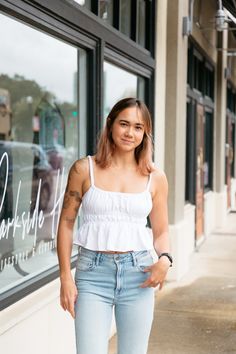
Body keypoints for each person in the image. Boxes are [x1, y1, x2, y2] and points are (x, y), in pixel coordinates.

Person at [56, 97, 172, 354]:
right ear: (110, 125)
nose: (130, 132)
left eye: (139, 127)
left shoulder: (155, 178)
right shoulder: (83, 170)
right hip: (92, 275)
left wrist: (164, 259)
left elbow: (161, 231)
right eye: (124, 124)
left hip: (139, 274)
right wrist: (65, 275)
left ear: (145, 133)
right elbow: (66, 225)